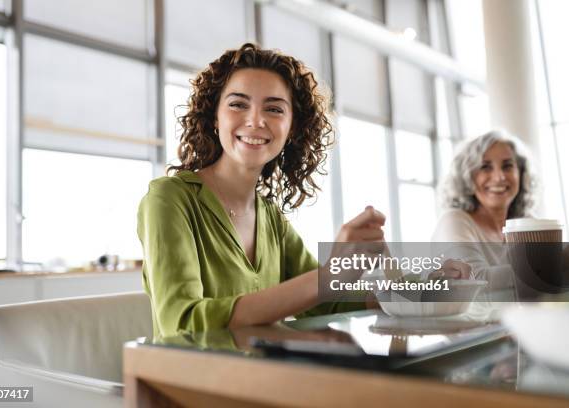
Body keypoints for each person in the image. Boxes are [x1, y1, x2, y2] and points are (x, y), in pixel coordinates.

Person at [137, 43, 386, 340]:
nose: (256, 120)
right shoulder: (169, 199)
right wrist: (328, 276)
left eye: (274, 108)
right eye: (238, 104)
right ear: (215, 117)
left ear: (293, 127)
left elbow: (328, 302)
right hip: (191, 381)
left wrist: (423, 286)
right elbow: (182, 323)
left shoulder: (271, 218)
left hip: (262, 380)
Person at [431, 130, 536, 316]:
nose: (499, 177)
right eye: (485, 167)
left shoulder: (527, 225)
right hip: (462, 339)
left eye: (507, 166)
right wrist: (555, 264)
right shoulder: (455, 221)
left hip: (512, 336)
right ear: (467, 176)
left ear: (520, 173)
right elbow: (476, 287)